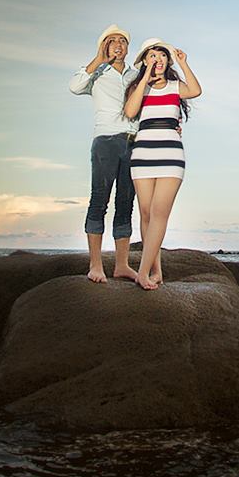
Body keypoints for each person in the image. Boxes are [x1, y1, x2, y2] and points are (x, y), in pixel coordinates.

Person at [122, 39, 201, 290]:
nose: (158, 60)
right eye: (152, 56)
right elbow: (131, 112)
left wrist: (183, 62)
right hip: (143, 153)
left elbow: (196, 90)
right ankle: (156, 271)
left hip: (170, 155)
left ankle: (142, 273)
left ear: (167, 61)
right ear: (145, 61)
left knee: (159, 213)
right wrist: (144, 78)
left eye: (162, 56)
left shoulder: (176, 87)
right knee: (145, 213)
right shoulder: (139, 88)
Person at [68, 24, 141, 284]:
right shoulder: (97, 72)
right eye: (112, 41)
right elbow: (75, 86)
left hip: (134, 142)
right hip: (105, 141)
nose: (118, 45)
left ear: (128, 47)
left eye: (123, 41)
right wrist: (99, 59)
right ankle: (95, 265)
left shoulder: (137, 74)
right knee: (99, 200)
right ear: (104, 46)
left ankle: (122, 265)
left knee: (126, 202)